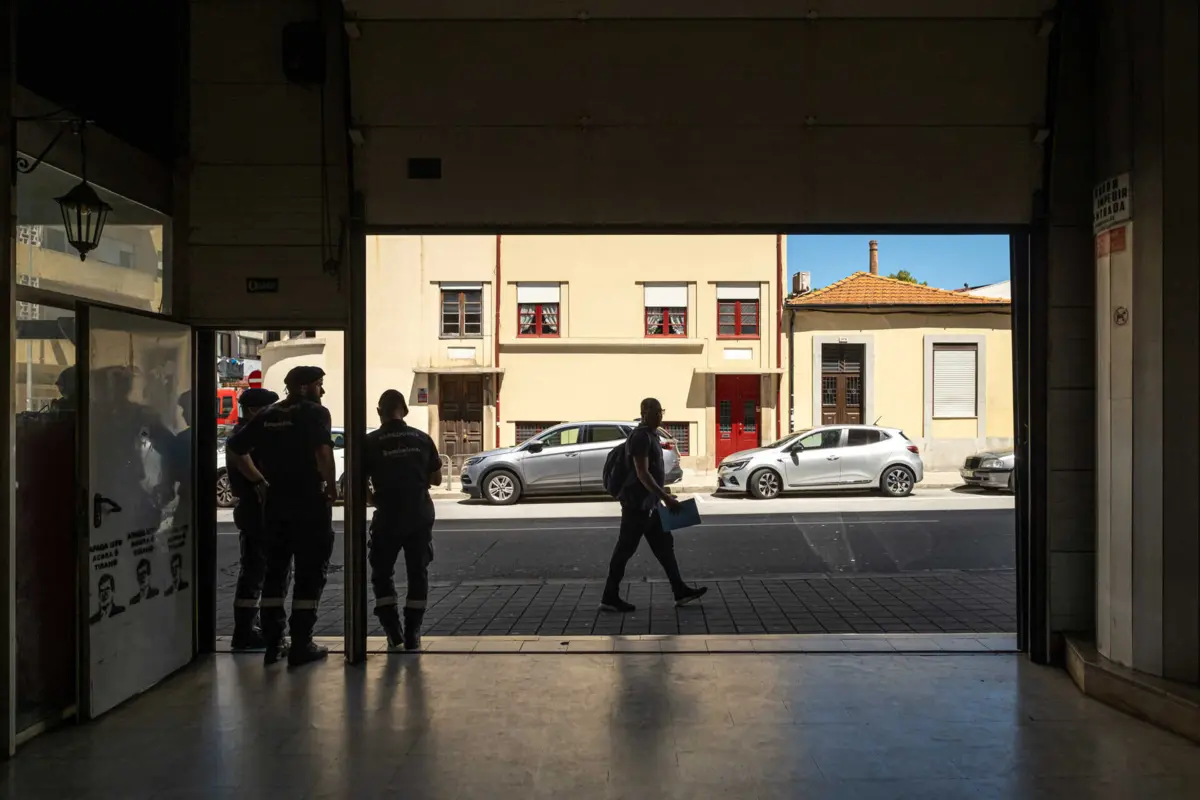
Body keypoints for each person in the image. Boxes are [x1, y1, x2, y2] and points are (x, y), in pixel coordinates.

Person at [226, 366, 338, 667]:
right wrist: (331, 487)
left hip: (275, 504)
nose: (322, 390)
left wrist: (261, 478)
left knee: (275, 573)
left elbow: (236, 446)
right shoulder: (315, 413)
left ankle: (274, 644)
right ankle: (302, 643)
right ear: (302, 388)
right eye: (319, 384)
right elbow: (324, 453)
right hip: (308, 501)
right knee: (309, 574)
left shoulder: (267, 415)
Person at [601, 397, 707, 613]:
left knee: (665, 548)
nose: (660, 415)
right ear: (644, 412)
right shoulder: (640, 437)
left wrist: (660, 497)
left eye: (662, 411)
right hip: (637, 506)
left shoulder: (651, 435)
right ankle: (609, 596)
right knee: (624, 551)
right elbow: (642, 473)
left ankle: (680, 590)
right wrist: (666, 498)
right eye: (656, 411)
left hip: (650, 505)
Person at [364, 390, 442, 651]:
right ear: (404, 412)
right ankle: (412, 633)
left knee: (382, 573)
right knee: (417, 573)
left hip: (387, 516)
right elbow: (436, 479)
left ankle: (392, 631)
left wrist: (374, 499)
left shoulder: (370, 442)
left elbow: (359, 482)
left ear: (379, 412)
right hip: (418, 514)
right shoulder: (422, 439)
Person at [223, 387, 279, 649]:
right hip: (256, 510)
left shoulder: (249, 434)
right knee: (256, 571)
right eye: (271, 408)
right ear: (256, 411)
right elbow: (239, 455)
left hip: (254, 509)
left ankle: (250, 627)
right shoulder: (245, 436)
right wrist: (261, 481)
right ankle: (245, 630)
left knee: (258, 570)